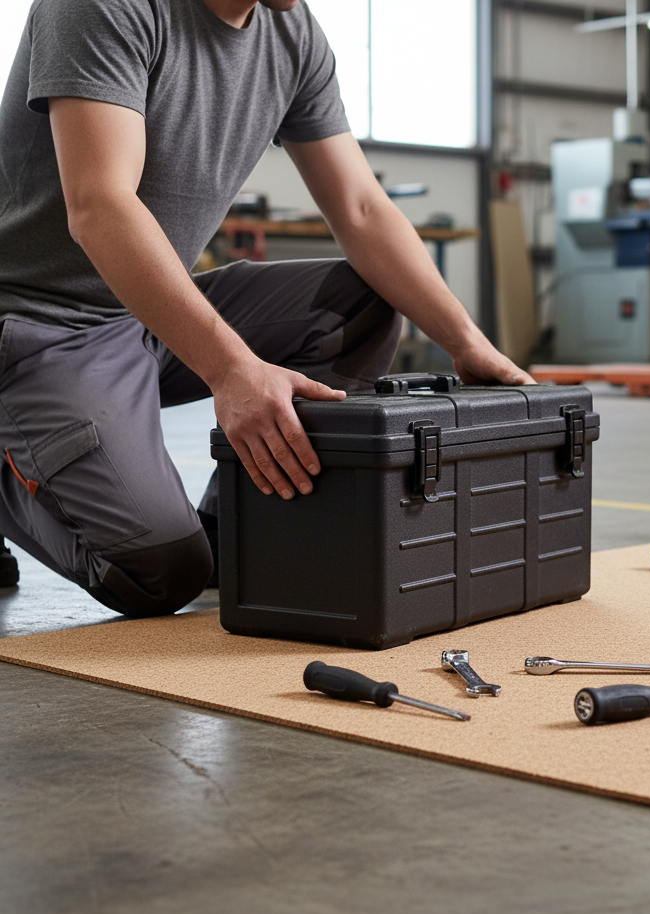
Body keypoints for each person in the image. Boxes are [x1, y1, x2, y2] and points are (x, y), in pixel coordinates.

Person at [0, 0, 531, 617]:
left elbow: (361, 208)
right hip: (40, 322)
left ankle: (234, 525)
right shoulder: (107, 6)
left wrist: (466, 341)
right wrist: (230, 368)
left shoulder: (292, 30)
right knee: (160, 573)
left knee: (358, 305)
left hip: (143, 313)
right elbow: (100, 206)